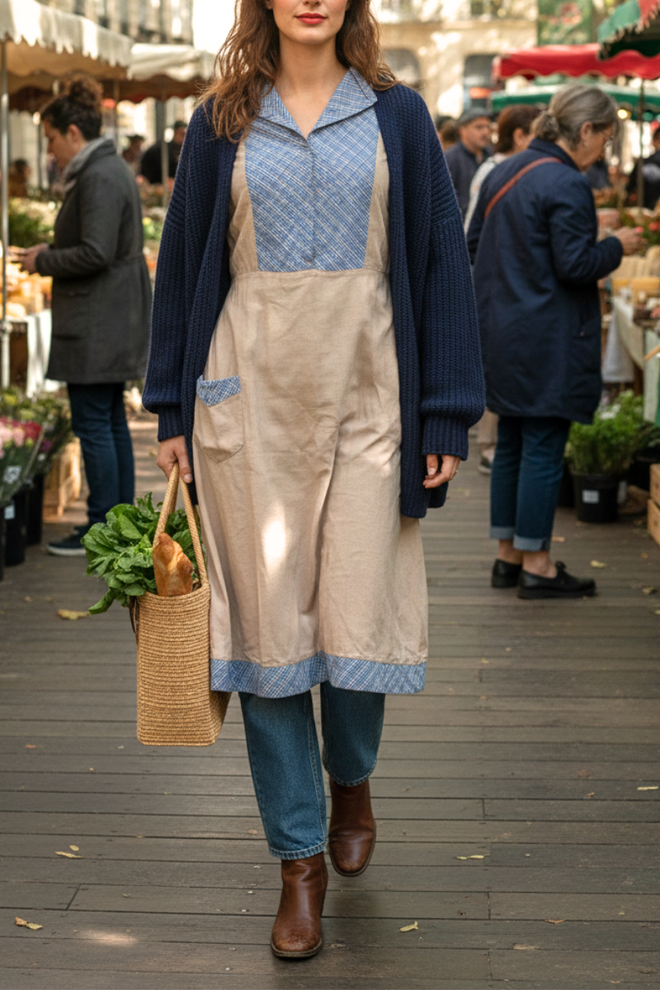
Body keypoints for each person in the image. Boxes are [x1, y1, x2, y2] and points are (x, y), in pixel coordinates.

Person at [143, 0, 484, 960]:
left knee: (354, 610)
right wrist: (171, 406)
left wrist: (447, 406)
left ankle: (353, 775)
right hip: (242, 399)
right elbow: (181, 267)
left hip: (372, 393)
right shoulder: (219, 119)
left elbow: (437, 262)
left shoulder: (399, 114)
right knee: (264, 632)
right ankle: (298, 861)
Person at [467, 84, 644, 599]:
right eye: (605, 140)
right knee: (543, 445)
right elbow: (576, 265)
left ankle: (508, 557)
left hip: (503, 331)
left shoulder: (507, 169)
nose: (604, 153)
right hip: (547, 336)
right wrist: (616, 245)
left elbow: (476, 244)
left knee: (513, 446)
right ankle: (538, 565)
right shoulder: (566, 182)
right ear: (584, 130)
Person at [17, 76, 152, 556]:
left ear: (73, 132)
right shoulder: (108, 169)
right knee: (108, 420)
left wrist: (44, 260)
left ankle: (100, 528)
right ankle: (115, 526)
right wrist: (52, 249)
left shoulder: (97, 174)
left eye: (51, 138)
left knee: (96, 423)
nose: (50, 150)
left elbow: (95, 251)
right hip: (111, 317)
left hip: (99, 320)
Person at [464, 104, 542, 476]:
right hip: (493, 282)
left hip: (498, 280)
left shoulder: (514, 169)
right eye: (537, 133)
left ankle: (496, 446)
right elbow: (474, 232)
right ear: (520, 136)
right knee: (496, 367)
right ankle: (489, 447)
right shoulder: (495, 171)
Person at [444, 107, 492, 218]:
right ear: (463, 130)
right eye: (479, 127)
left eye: (488, 127)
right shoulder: (451, 159)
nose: (486, 132)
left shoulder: (491, 155)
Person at [139, 120, 187, 185]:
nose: (184, 137)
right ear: (177, 132)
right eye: (182, 133)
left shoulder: (184, 150)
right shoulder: (161, 150)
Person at [627, 125, 660, 209]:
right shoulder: (642, 162)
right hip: (646, 211)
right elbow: (631, 189)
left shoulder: (642, 162)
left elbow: (630, 189)